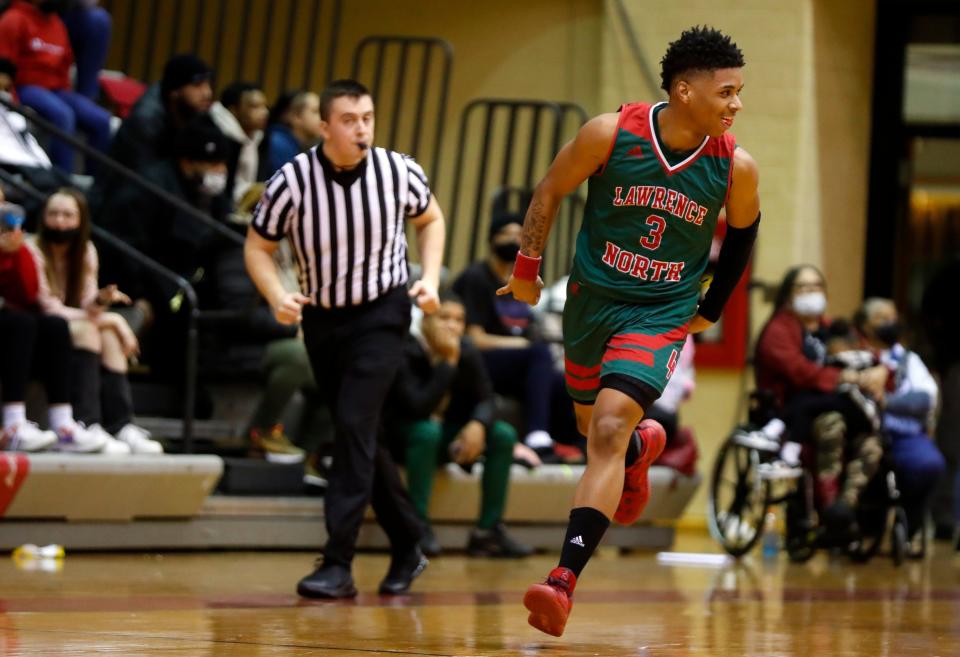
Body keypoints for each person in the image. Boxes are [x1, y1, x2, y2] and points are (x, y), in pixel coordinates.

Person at [495, 27, 761, 636]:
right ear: (685, 90)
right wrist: (528, 270)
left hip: (661, 313)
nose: (736, 104)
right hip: (593, 303)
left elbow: (744, 234)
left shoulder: (734, 167)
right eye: (726, 92)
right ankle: (642, 451)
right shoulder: (610, 133)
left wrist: (711, 308)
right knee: (596, 430)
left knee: (610, 425)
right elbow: (550, 189)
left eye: (739, 92)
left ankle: (562, 580)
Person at [245, 79, 446, 598]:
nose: (362, 128)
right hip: (323, 321)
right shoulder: (291, 181)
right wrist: (276, 295)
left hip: (383, 313)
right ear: (325, 126)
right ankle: (408, 542)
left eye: (368, 118)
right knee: (360, 435)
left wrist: (431, 277)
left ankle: (337, 562)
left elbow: (431, 219)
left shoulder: (398, 170)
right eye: (350, 120)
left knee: (354, 425)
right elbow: (257, 247)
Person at [386, 292, 533, 558]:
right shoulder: (403, 348)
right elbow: (417, 407)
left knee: (503, 434)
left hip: (443, 437)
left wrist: (477, 424)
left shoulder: (466, 348)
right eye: (445, 318)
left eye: (459, 320)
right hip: (404, 438)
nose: (453, 326)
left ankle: (488, 532)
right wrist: (449, 362)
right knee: (427, 431)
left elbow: (487, 396)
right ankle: (415, 527)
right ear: (426, 320)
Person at [755, 265, 886, 540]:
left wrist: (880, 371)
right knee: (832, 424)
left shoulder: (833, 326)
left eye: (816, 287)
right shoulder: (778, 331)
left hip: (839, 402)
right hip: (794, 409)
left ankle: (844, 508)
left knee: (873, 442)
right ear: (788, 295)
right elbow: (801, 373)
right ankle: (828, 508)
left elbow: (867, 356)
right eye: (802, 288)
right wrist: (848, 376)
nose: (810, 293)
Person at [27, 188, 162, 453]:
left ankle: (121, 425)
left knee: (107, 336)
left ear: (81, 220)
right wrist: (113, 320)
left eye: (68, 215)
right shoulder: (33, 249)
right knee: (94, 330)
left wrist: (101, 300)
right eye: (53, 214)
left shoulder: (86, 251)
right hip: (38, 326)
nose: (60, 222)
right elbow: (46, 306)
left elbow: (88, 306)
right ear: (43, 218)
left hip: (69, 325)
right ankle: (87, 422)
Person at [0, 190, 119, 453]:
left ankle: (62, 425)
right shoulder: (36, 246)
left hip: (23, 320)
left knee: (51, 326)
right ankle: (11, 426)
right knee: (22, 323)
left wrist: (12, 255)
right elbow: (41, 302)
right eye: (54, 214)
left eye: (2, 203)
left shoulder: (21, 248)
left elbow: (25, 293)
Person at [453, 211, 567, 465]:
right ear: (493, 239)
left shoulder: (518, 282)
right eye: (507, 234)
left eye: (519, 235)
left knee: (568, 383)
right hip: (478, 361)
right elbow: (474, 339)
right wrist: (524, 346)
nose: (514, 239)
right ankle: (537, 437)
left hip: (513, 365)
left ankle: (575, 445)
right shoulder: (477, 278)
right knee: (539, 354)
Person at [855, 297, 945, 542]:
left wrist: (888, 402)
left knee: (930, 464)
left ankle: (908, 525)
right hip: (863, 432)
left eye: (893, 318)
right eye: (882, 318)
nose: (890, 323)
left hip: (904, 435)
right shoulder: (855, 355)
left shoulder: (908, 359)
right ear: (865, 325)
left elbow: (925, 398)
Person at [0, 0, 111, 173]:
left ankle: (95, 185)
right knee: (63, 114)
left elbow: (64, 63)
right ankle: (62, 181)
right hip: (25, 87)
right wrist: (12, 101)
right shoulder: (13, 19)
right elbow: (4, 68)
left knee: (101, 120)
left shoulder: (57, 23)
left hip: (56, 89)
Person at [96, 53, 214, 202]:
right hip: (119, 201)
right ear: (175, 91)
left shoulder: (189, 110)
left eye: (207, 84)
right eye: (198, 86)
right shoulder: (146, 121)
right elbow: (144, 180)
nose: (207, 93)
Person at [209, 81, 270, 208]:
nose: (265, 112)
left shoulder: (260, 138)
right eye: (255, 107)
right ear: (234, 110)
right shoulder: (215, 135)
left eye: (265, 106)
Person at [265, 90, 322, 174]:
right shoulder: (278, 143)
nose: (323, 118)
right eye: (315, 111)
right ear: (297, 117)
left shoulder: (302, 145)